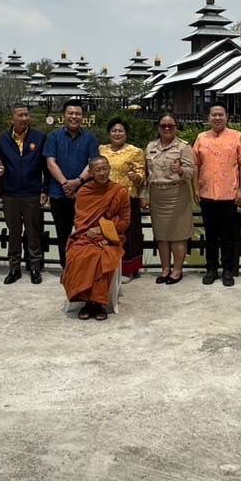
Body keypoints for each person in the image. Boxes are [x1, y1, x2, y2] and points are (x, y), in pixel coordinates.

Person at [60, 155, 131, 321]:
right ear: (90, 172)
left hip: (111, 237)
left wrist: (102, 230)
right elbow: (80, 221)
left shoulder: (119, 191)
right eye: (98, 170)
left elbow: (125, 221)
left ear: (109, 169)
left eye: (105, 169)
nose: (102, 173)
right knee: (77, 255)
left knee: (101, 256)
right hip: (85, 236)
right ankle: (86, 302)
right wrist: (91, 232)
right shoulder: (84, 192)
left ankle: (97, 303)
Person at [193, 104, 241, 286]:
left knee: (228, 236)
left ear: (227, 117)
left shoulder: (237, 137)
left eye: (220, 115)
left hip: (230, 195)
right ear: (209, 117)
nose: (217, 118)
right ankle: (211, 269)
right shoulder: (201, 138)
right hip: (207, 194)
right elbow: (195, 164)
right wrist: (195, 187)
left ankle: (228, 270)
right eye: (214, 115)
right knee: (210, 235)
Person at [0, 103, 48, 285]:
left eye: (26, 115)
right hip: (10, 194)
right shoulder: (2, 139)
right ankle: (14, 268)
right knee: (14, 233)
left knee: (33, 232)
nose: (24, 118)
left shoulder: (39, 137)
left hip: (32, 193)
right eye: (20, 115)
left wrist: (44, 190)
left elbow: (46, 167)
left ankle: (34, 267)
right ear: (12, 119)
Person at [45, 101, 101, 267]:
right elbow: (50, 163)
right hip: (58, 193)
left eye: (78, 114)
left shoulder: (90, 138)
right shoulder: (54, 136)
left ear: (83, 117)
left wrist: (77, 182)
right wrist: (65, 184)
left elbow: (92, 164)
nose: (74, 117)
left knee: (84, 233)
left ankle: (83, 268)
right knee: (62, 234)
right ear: (64, 115)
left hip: (84, 194)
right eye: (70, 113)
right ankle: (67, 267)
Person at [145, 113, 196, 284]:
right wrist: (144, 196)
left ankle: (177, 270)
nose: (167, 128)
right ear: (158, 127)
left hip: (177, 194)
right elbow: (147, 174)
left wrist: (181, 170)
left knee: (177, 235)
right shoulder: (151, 146)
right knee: (162, 235)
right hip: (157, 195)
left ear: (176, 127)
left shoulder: (184, 147)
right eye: (163, 125)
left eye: (170, 125)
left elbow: (191, 173)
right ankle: (165, 268)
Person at [100, 119, 147, 280]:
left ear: (126, 134)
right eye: (114, 131)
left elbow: (142, 174)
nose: (117, 134)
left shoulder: (135, 151)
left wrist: (136, 177)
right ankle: (110, 267)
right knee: (108, 233)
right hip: (106, 199)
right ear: (109, 133)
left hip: (127, 199)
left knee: (129, 235)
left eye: (120, 131)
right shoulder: (102, 149)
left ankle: (128, 269)